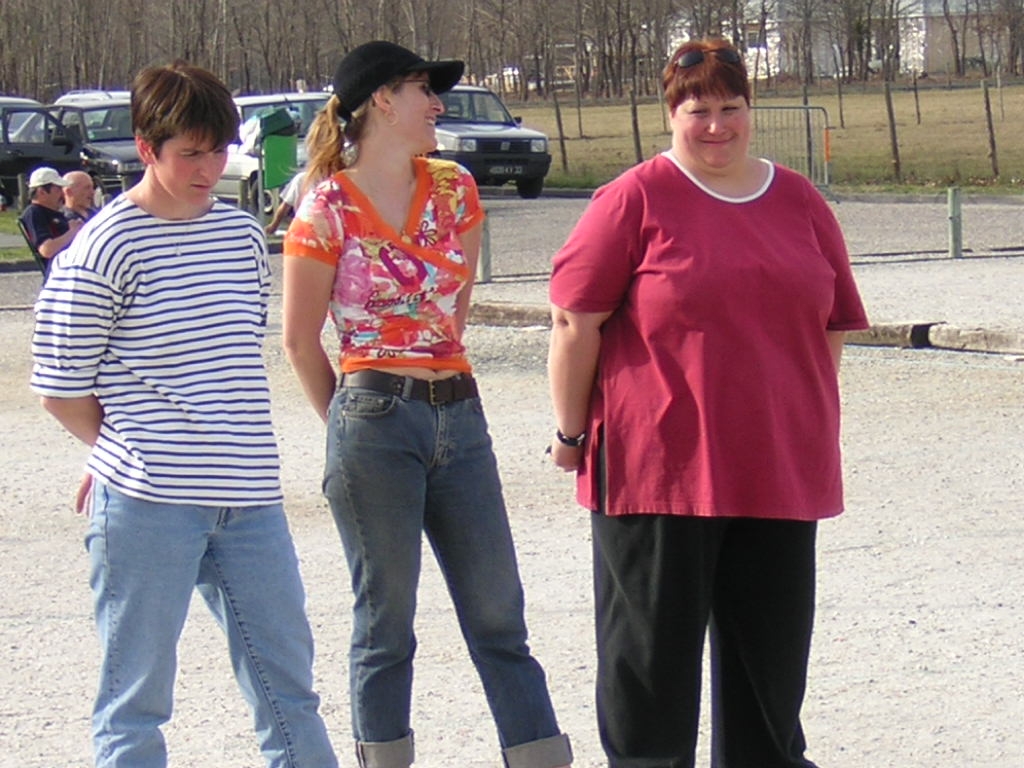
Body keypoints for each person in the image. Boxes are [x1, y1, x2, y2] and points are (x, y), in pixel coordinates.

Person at [547, 39, 869, 768]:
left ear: (751, 110)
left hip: (776, 468)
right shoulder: (635, 198)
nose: (716, 125)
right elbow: (575, 322)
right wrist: (570, 432)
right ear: (671, 115)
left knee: (769, 672)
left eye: (731, 109)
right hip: (659, 469)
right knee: (650, 668)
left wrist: (803, 418)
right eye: (698, 111)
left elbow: (833, 323)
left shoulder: (798, 199)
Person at [30, 61, 338, 768]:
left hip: (250, 501)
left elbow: (230, 366)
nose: (209, 167)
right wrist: (120, 451)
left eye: (220, 149)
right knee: (135, 703)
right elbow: (57, 384)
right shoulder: (104, 246)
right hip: (146, 504)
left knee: (289, 695)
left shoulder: (238, 237)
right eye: (189, 153)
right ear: (146, 148)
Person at [282, 40, 573, 768]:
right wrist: (351, 427)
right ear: (381, 99)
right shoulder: (325, 207)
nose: (437, 104)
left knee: (499, 614)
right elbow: (298, 339)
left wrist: (425, 384)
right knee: (387, 626)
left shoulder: (455, 189)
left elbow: (453, 307)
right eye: (422, 89)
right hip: (373, 415)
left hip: (459, 411)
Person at [19, 166, 83, 278]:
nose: (62, 194)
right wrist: (73, 232)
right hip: (61, 274)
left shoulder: (55, 212)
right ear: (42, 192)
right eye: (58, 189)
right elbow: (47, 250)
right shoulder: (35, 213)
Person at [264, 169, 307, 235]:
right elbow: (285, 206)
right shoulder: (302, 179)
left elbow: (285, 206)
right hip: (304, 229)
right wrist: (273, 226)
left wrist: (273, 226)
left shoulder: (302, 178)